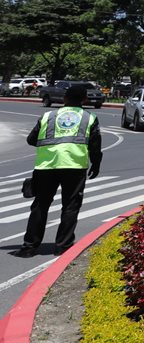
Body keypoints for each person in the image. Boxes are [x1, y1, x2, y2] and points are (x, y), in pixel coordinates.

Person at [15, 83, 102, 257]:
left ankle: (29, 247)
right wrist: (96, 164)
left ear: (64, 98)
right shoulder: (89, 118)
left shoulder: (48, 115)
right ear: (84, 99)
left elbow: (32, 139)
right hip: (74, 166)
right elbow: (95, 145)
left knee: (40, 205)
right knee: (70, 206)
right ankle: (63, 246)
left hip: (46, 165)